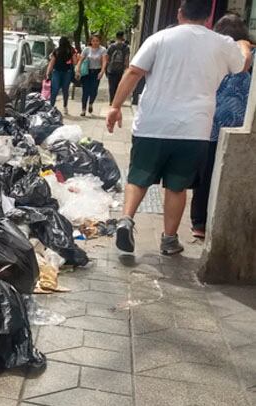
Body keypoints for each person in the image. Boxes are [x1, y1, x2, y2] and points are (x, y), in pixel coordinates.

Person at [106, 0, 252, 256]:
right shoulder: (222, 44)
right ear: (208, 18)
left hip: (152, 124)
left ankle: (126, 219)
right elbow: (242, 66)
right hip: (193, 129)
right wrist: (243, 45)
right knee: (176, 186)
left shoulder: (159, 38)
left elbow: (133, 72)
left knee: (138, 177)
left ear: (180, 13)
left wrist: (116, 106)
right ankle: (169, 240)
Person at [191, 14, 254, 239]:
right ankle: (211, 221)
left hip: (210, 121)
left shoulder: (213, 52)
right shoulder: (248, 53)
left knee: (205, 174)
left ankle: (199, 222)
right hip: (238, 125)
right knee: (226, 174)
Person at [76, 34, 107, 116]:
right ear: (90, 41)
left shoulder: (102, 50)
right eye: (93, 41)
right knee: (85, 91)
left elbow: (104, 61)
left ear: (99, 41)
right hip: (86, 72)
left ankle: (91, 103)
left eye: (97, 41)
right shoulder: (86, 49)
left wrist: (102, 71)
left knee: (94, 90)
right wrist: (78, 70)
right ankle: (83, 109)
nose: (95, 42)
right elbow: (80, 60)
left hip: (97, 72)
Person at [46, 37, 77, 114]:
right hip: (67, 72)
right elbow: (75, 62)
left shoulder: (56, 51)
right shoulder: (71, 50)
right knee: (65, 90)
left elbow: (52, 63)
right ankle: (65, 107)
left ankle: (51, 107)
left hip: (56, 72)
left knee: (54, 90)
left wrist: (48, 73)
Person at [106, 31, 130, 105]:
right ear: (123, 37)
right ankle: (116, 101)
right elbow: (126, 59)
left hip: (111, 69)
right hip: (120, 69)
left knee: (111, 85)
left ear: (116, 37)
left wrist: (106, 68)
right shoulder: (126, 47)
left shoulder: (111, 46)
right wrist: (126, 68)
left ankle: (111, 100)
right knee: (118, 85)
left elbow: (107, 58)